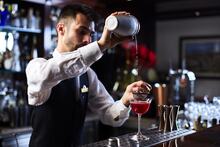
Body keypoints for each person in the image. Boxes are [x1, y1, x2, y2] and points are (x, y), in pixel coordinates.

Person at [26, 4, 152, 147]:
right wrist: (101, 45)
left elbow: (110, 115)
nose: (87, 40)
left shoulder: (87, 74)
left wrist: (125, 100)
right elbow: (56, 70)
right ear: (61, 29)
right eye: (81, 31)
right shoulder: (37, 66)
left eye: (91, 34)